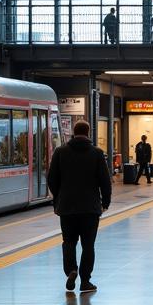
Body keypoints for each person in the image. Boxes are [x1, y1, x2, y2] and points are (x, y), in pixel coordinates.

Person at [47, 120, 111, 294]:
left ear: (74, 133)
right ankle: (85, 281)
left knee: (68, 242)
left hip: (67, 207)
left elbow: (52, 179)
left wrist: (58, 198)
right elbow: (105, 181)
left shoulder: (60, 152)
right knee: (88, 245)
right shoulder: (97, 153)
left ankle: (71, 270)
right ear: (88, 132)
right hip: (90, 208)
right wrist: (105, 202)